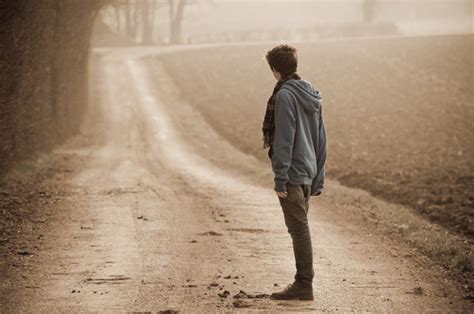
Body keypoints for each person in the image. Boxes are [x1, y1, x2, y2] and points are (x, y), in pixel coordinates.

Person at [262, 44, 327, 301]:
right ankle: (303, 283)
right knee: (300, 228)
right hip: (308, 173)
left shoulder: (285, 96)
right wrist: (318, 176)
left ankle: (303, 284)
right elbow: (322, 138)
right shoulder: (312, 93)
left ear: (276, 70)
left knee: (299, 230)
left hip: (292, 175)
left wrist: (280, 177)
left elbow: (284, 140)